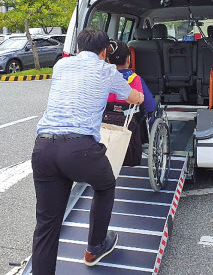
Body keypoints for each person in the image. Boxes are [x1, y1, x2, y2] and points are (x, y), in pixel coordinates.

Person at [32, 29, 144, 275]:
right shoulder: (107, 71)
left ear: (79, 48)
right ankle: (95, 247)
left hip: (43, 148)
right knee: (105, 185)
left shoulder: (61, 65)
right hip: (80, 149)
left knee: (47, 224)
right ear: (104, 52)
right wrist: (137, 96)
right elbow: (135, 96)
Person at [104, 42, 156, 166]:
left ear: (108, 61)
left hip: (107, 122)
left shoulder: (104, 79)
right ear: (128, 59)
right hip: (133, 123)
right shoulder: (136, 79)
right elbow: (150, 107)